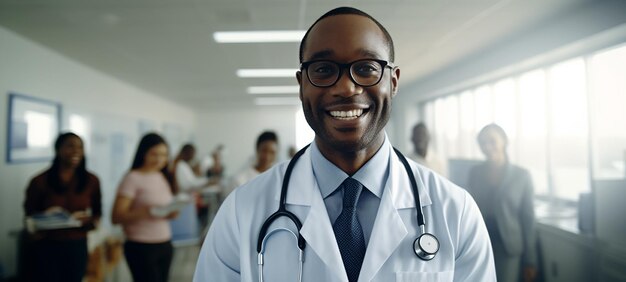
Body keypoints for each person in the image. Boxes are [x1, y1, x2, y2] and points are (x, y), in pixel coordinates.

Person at [194, 7, 495, 282]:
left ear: (393, 81)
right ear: (301, 85)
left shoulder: (456, 212)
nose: (346, 87)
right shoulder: (241, 211)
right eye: (324, 69)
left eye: (366, 68)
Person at [23, 132, 102, 282]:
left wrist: (88, 220)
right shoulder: (40, 181)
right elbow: (29, 217)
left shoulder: (91, 181)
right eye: (70, 146)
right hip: (47, 245)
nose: (76, 151)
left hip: (76, 245)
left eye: (80, 147)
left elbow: (97, 214)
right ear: (58, 149)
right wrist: (45, 218)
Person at [466, 124, 538, 282]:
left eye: (492, 141)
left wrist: (530, 260)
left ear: (504, 141)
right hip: (479, 243)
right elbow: (468, 210)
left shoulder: (522, 176)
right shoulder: (475, 172)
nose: (487, 146)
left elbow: (528, 220)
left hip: (508, 247)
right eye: (483, 143)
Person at [111, 133, 178, 282]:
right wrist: (146, 212)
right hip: (141, 246)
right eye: (154, 154)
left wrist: (170, 213)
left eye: (164, 155)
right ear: (143, 153)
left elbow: (164, 209)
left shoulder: (162, 176)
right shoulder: (132, 178)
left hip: (164, 242)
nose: (160, 159)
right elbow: (116, 217)